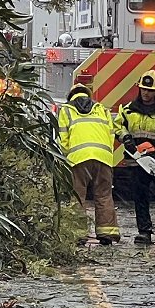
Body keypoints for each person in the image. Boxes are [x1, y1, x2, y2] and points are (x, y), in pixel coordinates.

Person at [114, 71, 155, 245]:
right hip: (137, 161)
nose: (145, 93)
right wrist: (125, 138)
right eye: (143, 89)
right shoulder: (128, 110)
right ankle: (144, 231)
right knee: (140, 196)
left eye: (150, 90)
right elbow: (118, 127)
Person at [57, 82, 120, 245]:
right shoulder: (101, 109)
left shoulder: (66, 110)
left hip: (78, 158)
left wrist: (65, 158)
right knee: (104, 195)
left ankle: (78, 235)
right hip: (103, 157)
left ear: (71, 96)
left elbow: (63, 140)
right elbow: (110, 135)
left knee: (78, 197)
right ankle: (107, 232)